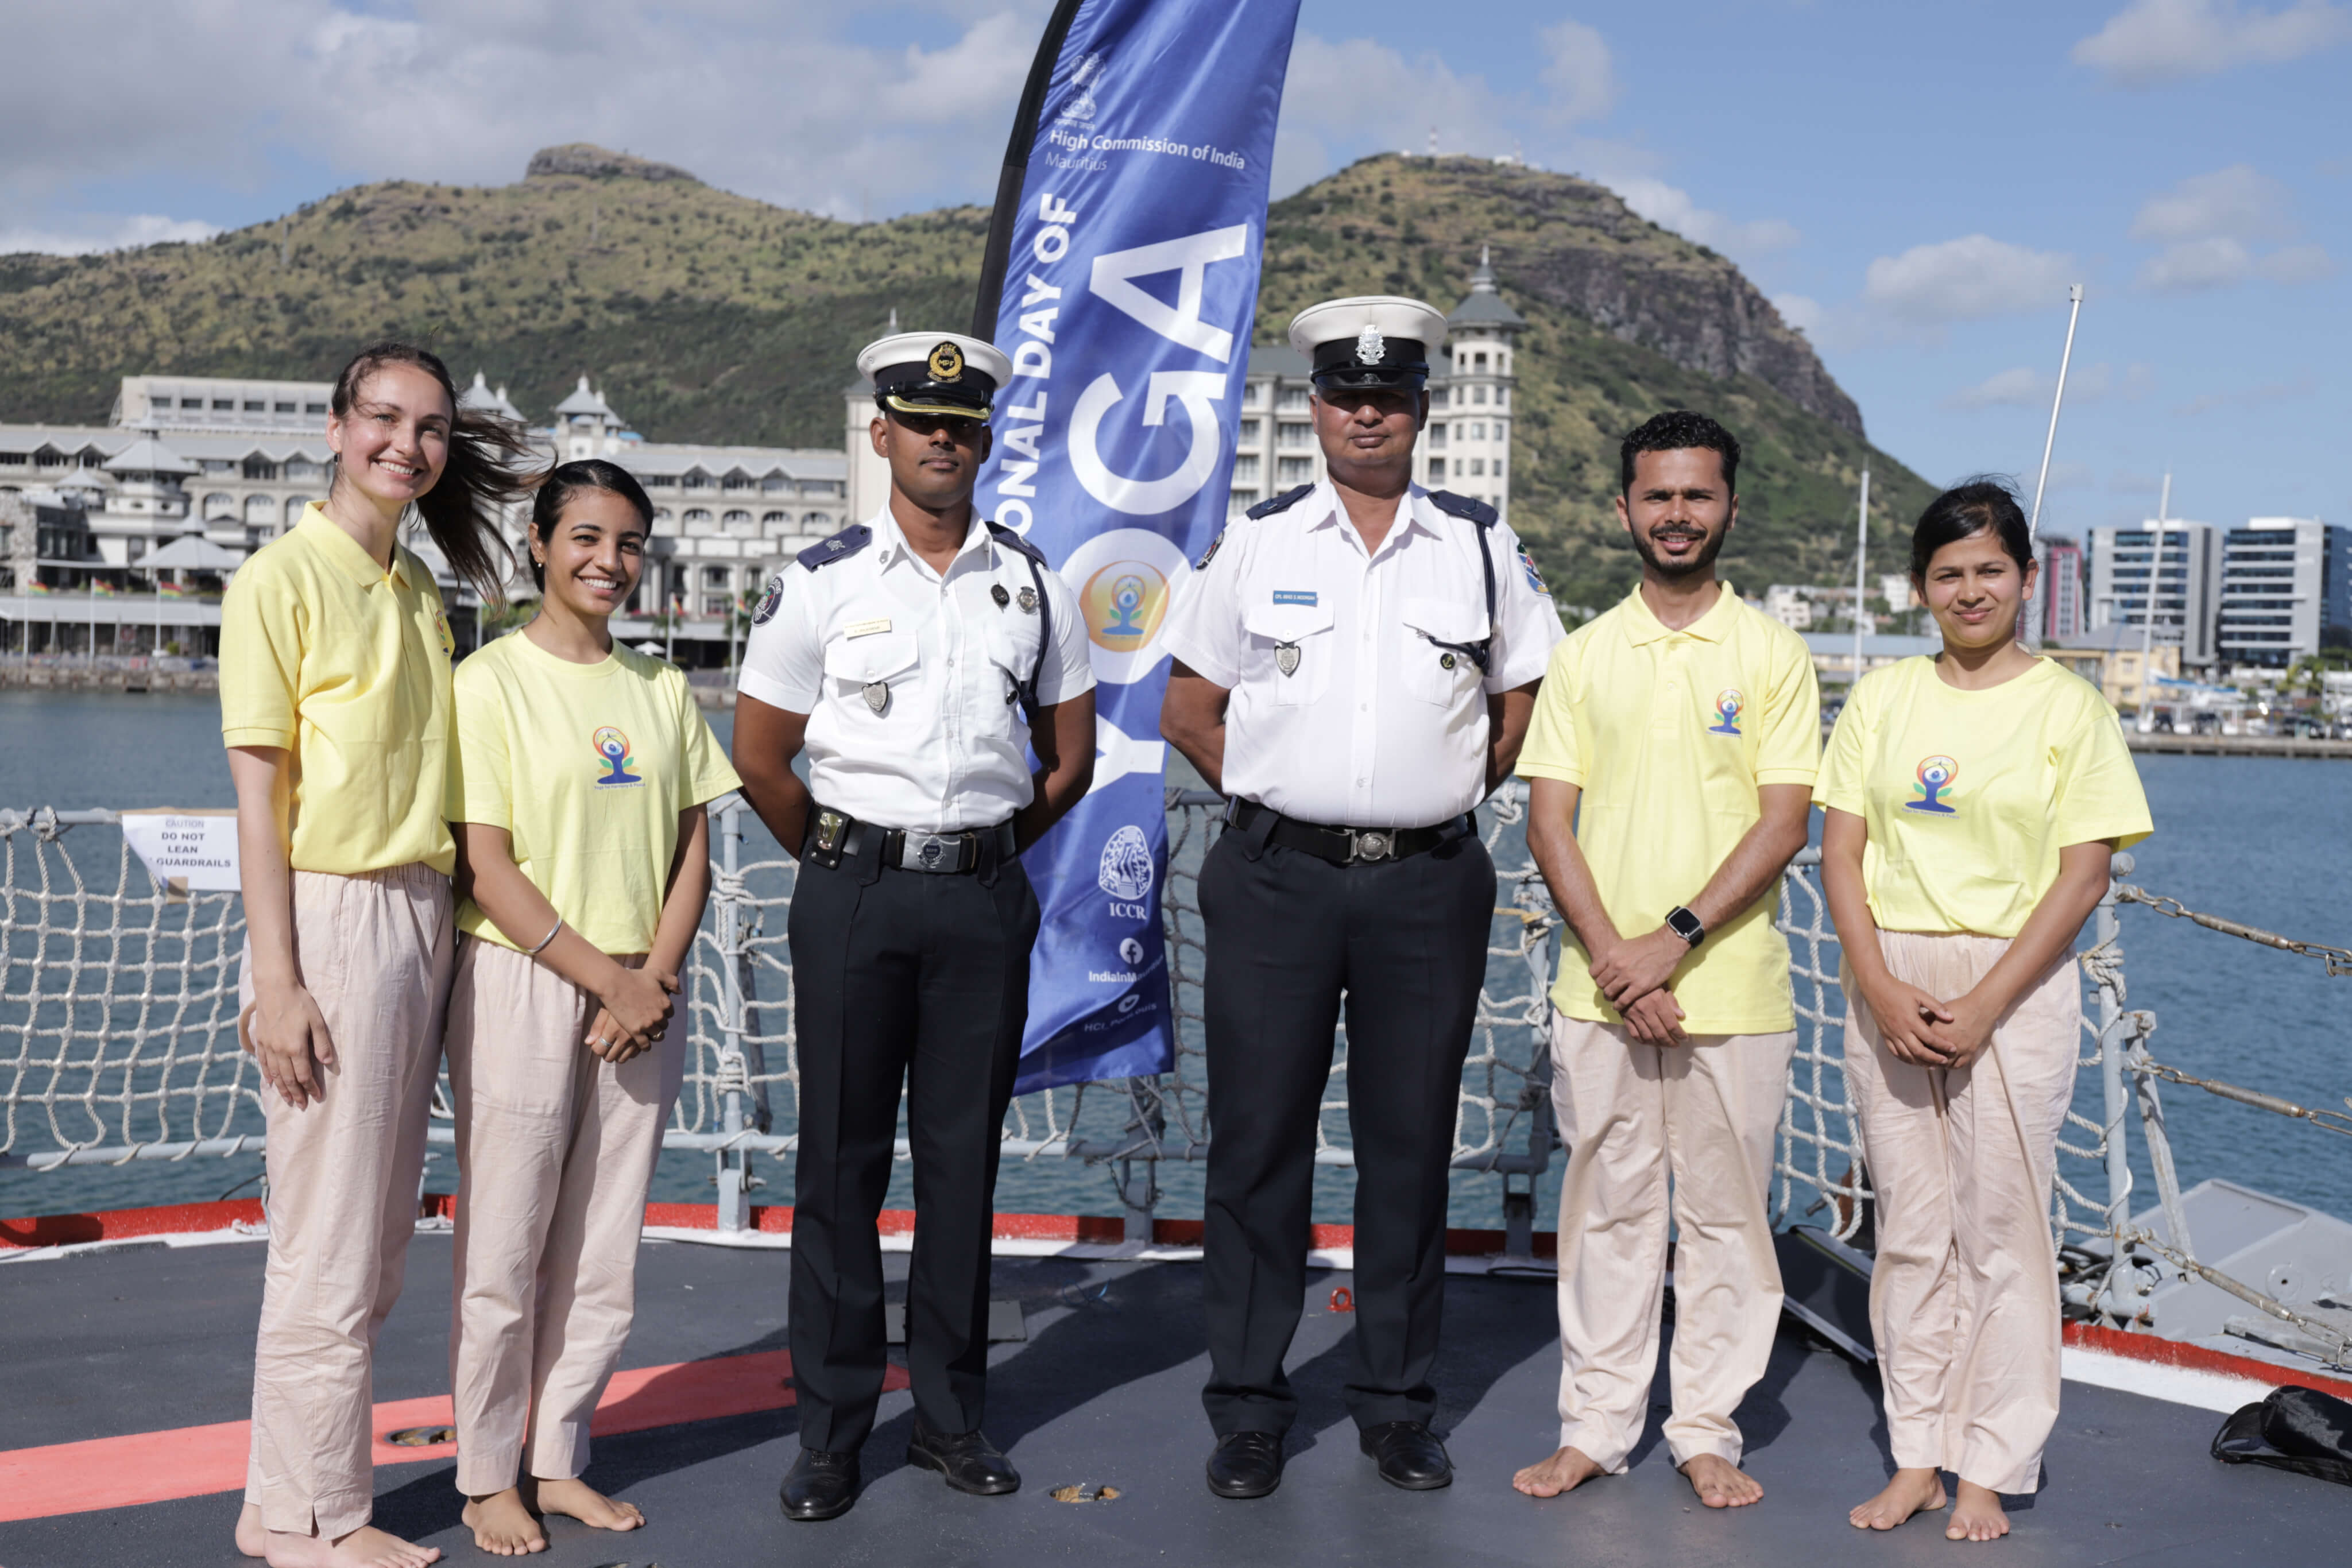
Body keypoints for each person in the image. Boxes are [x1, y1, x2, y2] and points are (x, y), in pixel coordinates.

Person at [1159, 295, 1565, 1501]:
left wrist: (1419, 800)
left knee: (1406, 1150)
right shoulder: (1258, 542)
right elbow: (1188, 709)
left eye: (1388, 395)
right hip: (1275, 881)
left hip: (1427, 888)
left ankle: (1394, 1404)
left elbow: (1516, 704)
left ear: (1421, 409)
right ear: (1317, 407)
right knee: (1256, 1146)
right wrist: (1291, 802)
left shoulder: (1480, 548)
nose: (1366, 412)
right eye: (1345, 394)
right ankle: (1246, 1405)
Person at [731, 331, 1097, 1522]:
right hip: (851, 891)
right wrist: (849, 862)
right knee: (837, 1164)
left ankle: (948, 1420)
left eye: (963, 421)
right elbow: (760, 755)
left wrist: (977, 856)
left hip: (982, 898)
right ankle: (832, 1431)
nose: (943, 437)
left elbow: (1070, 757)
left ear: (985, 437)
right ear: (879, 431)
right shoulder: (819, 580)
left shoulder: (1032, 581)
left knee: (960, 1167)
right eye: (919, 418)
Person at [224, 342, 533, 1568]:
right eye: (384, 420)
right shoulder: (279, 580)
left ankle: (278, 1499)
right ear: (337, 425)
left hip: (420, 912)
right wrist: (277, 980)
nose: (407, 446)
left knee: (378, 1238)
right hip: (336, 913)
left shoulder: (413, 591)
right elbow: (261, 797)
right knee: (329, 1234)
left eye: (433, 429)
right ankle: (315, 1521)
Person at [1819, 479, 2150, 1543]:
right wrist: (1875, 982)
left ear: (2025, 578)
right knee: (1911, 1231)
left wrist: (1986, 1001)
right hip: (1891, 971)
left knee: (2004, 1232)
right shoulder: (1881, 700)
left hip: (2016, 982)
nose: (1970, 591)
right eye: (1949, 573)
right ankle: (1917, 1451)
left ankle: (1988, 1468)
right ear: (1922, 587)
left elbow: (2084, 872)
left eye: (1989, 570)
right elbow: (1841, 850)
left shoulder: (2069, 707)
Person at [1510, 410, 1817, 1511]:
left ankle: (1705, 1428)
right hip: (1602, 997)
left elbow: (1784, 822)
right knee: (1606, 1212)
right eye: (1658, 496)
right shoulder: (1583, 656)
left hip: (1732, 993)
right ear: (1625, 508)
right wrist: (1615, 962)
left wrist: (1668, 944)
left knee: (1730, 1222)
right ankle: (1594, 1426)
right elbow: (1552, 824)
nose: (1677, 515)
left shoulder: (1774, 655)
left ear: (1730, 506)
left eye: (1697, 495)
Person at [442, 460, 740, 1554]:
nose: (607, 561)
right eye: (584, 538)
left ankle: (557, 1455)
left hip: (642, 986)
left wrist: (651, 979)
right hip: (528, 979)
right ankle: (484, 1475)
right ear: (536, 543)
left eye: (626, 543)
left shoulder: (661, 690)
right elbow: (487, 863)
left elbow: (693, 849)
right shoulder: (489, 682)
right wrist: (608, 980)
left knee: (604, 1248)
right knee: (506, 1243)